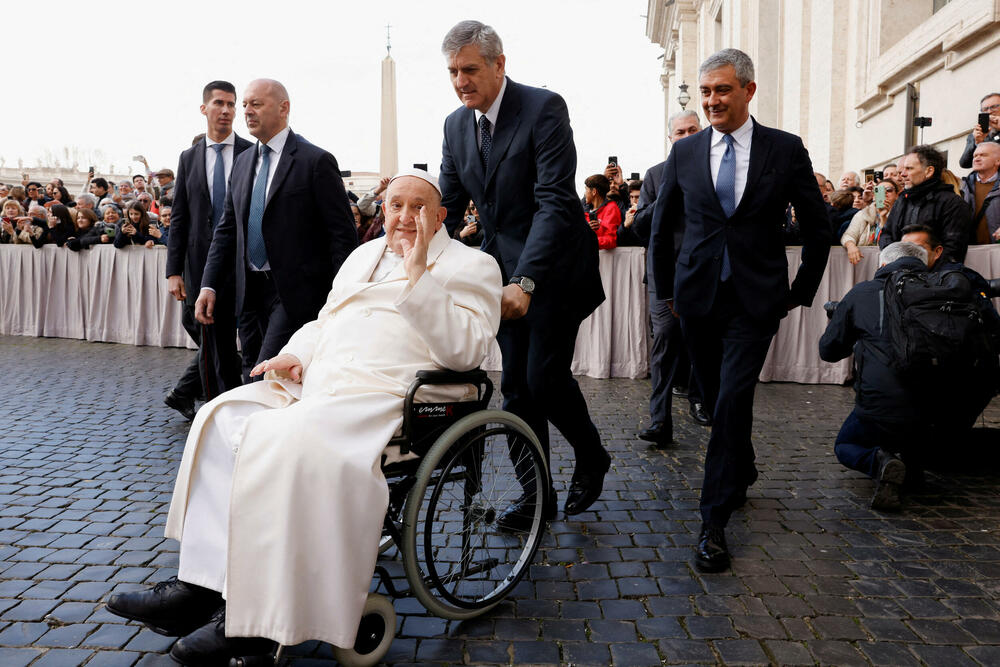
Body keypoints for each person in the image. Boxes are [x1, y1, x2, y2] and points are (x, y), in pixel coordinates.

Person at [105, 171, 502, 665]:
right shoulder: (363, 255)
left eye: (417, 207)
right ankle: (201, 585)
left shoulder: (474, 265)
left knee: (282, 440)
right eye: (395, 205)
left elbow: (466, 349)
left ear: (441, 216)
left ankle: (255, 626)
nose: (403, 216)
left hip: (391, 396)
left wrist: (420, 275)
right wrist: (294, 354)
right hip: (320, 383)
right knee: (219, 417)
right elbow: (327, 320)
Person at [649, 48, 831, 573]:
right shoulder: (684, 155)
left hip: (756, 300)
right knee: (710, 396)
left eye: (722, 90)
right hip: (696, 299)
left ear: (749, 91)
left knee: (731, 400)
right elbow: (662, 230)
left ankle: (713, 520)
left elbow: (818, 227)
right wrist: (667, 292)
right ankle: (742, 464)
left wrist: (801, 290)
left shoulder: (784, 149)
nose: (712, 101)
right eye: (705, 92)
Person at [437, 20, 609, 525]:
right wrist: (408, 249)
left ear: (498, 64)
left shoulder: (543, 108)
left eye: (469, 69)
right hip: (500, 274)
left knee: (544, 376)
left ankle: (592, 455)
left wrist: (526, 281)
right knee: (515, 387)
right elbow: (447, 203)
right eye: (452, 72)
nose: (460, 80)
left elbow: (555, 203)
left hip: (553, 268)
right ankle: (536, 496)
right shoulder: (454, 125)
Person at [195, 78, 358, 382]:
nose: (246, 111)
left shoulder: (315, 161)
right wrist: (209, 284)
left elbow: (342, 236)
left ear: (284, 108)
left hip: (294, 293)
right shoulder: (243, 163)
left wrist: (341, 296)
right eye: (244, 104)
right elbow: (227, 230)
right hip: (249, 291)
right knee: (250, 370)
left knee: (264, 373)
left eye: (255, 104)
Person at [820, 240, 1000, 510]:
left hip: (882, 408)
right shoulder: (950, 292)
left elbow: (829, 351)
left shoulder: (864, 293)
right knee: (917, 425)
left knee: (846, 444)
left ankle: (881, 462)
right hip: (947, 412)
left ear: (883, 263)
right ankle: (911, 464)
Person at [165, 81, 253, 420]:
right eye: (219, 103)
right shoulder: (189, 158)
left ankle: (236, 403)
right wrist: (174, 271)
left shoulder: (251, 151)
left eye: (232, 104)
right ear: (204, 108)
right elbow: (180, 217)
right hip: (201, 267)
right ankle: (219, 410)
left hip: (245, 263)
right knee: (213, 341)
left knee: (246, 339)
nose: (227, 110)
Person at [623, 110, 711, 448]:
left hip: (705, 273)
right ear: (670, 138)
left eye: (693, 130)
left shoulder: (716, 171)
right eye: (680, 132)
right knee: (664, 344)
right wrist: (668, 196)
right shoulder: (656, 175)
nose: (687, 136)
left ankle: (700, 400)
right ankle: (660, 420)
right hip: (665, 275)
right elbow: (642, 225)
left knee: (703, 341)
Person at [878, 144, 972, 263]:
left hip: (934, 278)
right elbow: (886, 234)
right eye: (903, 169)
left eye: (909, 168)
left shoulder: (953, 203)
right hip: (897, 273)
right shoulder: (902, 200)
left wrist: (920, 270)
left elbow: (952, 251)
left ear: (929, 171)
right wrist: (895, 260)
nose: (902, 174)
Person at [841, 179, 898, 264]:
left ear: (897, 195)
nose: (884, 193)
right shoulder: (863, 214)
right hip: (864, 262)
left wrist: (883, 219)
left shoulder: (901, 215)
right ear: (874, 196)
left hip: (889, 262)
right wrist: (850, 246)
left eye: (889, 190)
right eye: (879, 191)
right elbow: (849, 235)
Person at [960, 141, 1000, 244]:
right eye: (975, 156)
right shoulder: (962, 186)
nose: (976, 159)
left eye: (983, 155)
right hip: (969, 250)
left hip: (996, 249)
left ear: (998, 161)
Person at [959, 92, 1000, 169]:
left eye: (994, 107)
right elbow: (964, 163)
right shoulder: (975, 134)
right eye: (985, 109)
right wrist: (978, 143)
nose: (989, 111)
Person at [583, 174, 620, 249]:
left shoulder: (611, 208)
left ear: (594, 192)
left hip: (604, 259)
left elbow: (611, 240)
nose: (585, 193)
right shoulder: (584, 211)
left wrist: (588, 241)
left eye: (586, 189)